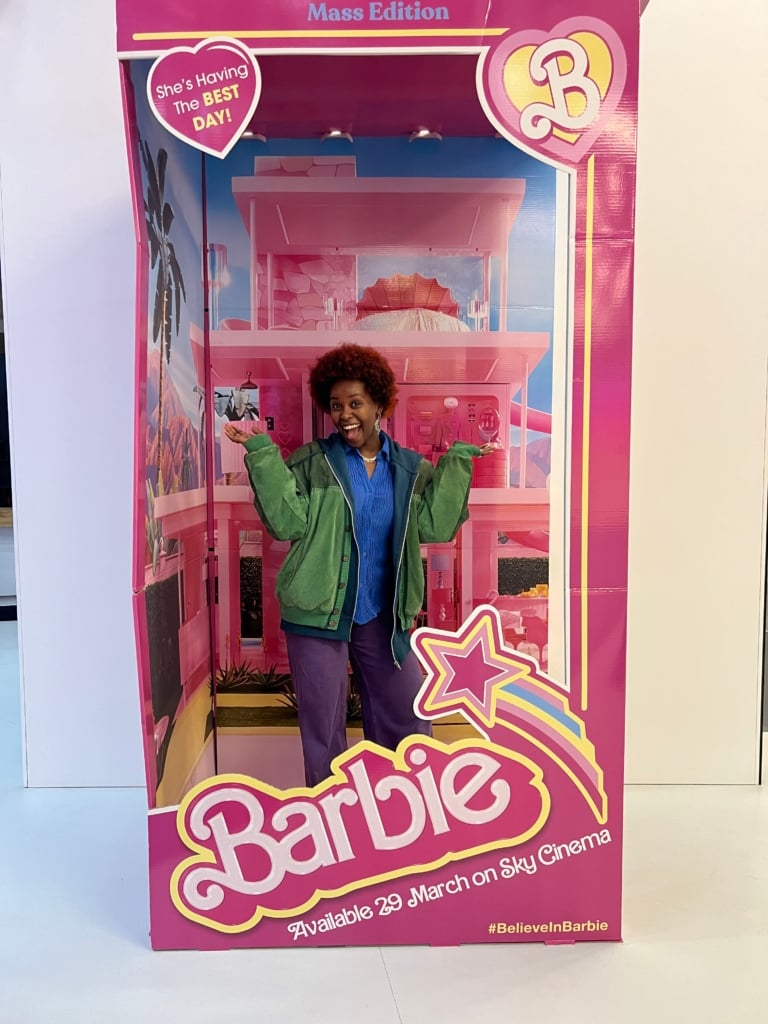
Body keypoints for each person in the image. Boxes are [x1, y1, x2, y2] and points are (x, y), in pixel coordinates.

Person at [224, 343, 496, 786]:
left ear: (379, 405)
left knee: (407, 713)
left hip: (382, 615)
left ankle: (400, 801)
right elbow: (286, 522)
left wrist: (458, 462)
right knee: (324, 729)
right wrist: (262, 453)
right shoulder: (312, 463)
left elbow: (435, 525)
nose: (345, 415)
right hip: (317, 611)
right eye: (336, 405)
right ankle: (333, 813)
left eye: (355, 403)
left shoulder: (408, 468)